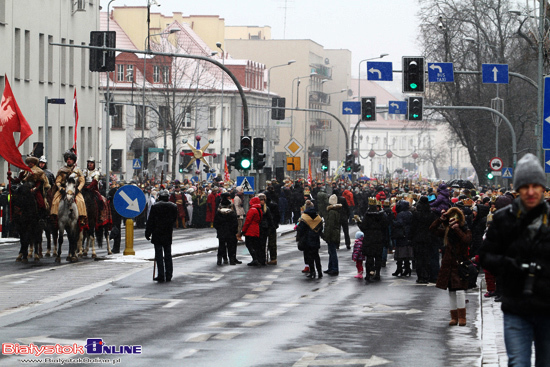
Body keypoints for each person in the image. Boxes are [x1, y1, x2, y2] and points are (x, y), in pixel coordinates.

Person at [480, 153, 550, 366]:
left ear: (543, 188)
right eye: (524, 186)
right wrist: (509, 265)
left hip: (547, 307)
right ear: (517, 189)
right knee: (518, 362)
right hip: (516, 307)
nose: (530, 192)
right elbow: (485, 256)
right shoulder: (503, 219)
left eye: (535, 186)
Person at [430, 207, 472, 327]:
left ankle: (462, 317)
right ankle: (454, 317)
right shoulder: (447, 231)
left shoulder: (465, 229)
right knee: (451, 291)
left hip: (460, 263)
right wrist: (440, 219)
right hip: (448, 263)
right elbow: (432, 229)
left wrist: (457, 229)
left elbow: (466, 240)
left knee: (459, 291)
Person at [145, 189, 178, 283]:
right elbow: (174, 219)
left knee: (159, 255)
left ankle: (161, 274)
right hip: (167, 233)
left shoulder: (156, 206)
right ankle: (169, 274)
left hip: (157, 233)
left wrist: (148, 232)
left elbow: (150, 221)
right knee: (168, 254)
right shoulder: (173, 206)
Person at [50, 149, 87, 230]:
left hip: (74, 189)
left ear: (73, 160)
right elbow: (58, 181)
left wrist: (78, 189)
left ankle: (82, 217)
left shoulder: (78, 170)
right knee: (55, 200)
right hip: (64, 189)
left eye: (70, 159)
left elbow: (82, 181)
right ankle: (54, 215)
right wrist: (60, 188)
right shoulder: (62, 170)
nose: (69, 160)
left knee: (81, 201)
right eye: (67, 159)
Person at [357, 197, 388, 282]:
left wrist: (358, 223)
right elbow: (385, 226)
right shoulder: (381, 215)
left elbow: (363, 227)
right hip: (379, 238)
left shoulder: (367, 215)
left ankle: (368, 274)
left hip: (369, 239)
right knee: (378, 257)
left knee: (369, 257)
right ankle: (377, 273)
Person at [410, 196, 437, 284]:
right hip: (428, 238)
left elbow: (412, 227)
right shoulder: (431, 214)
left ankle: (420, 276)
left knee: (419, 258)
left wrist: (410, 237)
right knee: (427, 258)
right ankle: (426, 275)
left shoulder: (416, 214)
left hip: (418, 238)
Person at [296, 200, 323, 278]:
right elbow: (321, 228)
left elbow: (301, 229)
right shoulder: (317, 216)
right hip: (315, 239)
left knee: (309, 256)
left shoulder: (304, 217)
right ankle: (320, 272)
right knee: (316, 256)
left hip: (307, 239)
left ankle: (312, 272)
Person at [213, 192, 241, 265]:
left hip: (221, 232)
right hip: (230, 233)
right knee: (230, 246)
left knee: (221, 246)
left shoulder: (218, 213)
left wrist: (219, 229)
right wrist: (234, 231)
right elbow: (235, 223)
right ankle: (231, 260)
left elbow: (215, 223)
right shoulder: (231, 213)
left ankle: (219, 260)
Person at [391, 200, 413, 277]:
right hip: (408, 234)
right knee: (406, 253)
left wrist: (392, 221)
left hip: (401, 235)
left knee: (400, 253)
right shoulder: (410, 213)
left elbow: (399, 223)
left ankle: (399, 269)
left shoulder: (400, 214)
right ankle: (407, 268)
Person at [323, 194, 341, 276]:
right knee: (331, 251)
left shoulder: (331, 212)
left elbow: (330, 225)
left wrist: (326, 236)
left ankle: (334, 268)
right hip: (335, 233)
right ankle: (331, 267)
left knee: (332, 252)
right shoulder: (336, 211)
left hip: (332, 234)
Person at [242, 196, 262, 266]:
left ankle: (255, 259)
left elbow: (247, 221)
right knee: (255, 245)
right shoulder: (259, 209)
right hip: (256, 229)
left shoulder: (252, 210)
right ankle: (257, 258)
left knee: (249, 245)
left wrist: (243, 230)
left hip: (250, 230)